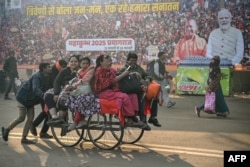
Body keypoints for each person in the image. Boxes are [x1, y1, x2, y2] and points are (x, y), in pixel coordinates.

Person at [1, 63, 52, 144]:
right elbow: (36, 89)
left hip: (30, 100)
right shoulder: (37, 76)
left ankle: (24, 138)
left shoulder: (46, 77)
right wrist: (44, 96)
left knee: (30, 118)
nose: (51, 68)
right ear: (43, 69)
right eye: (49, 67)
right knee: (21, 118)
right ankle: (7, 130)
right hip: (23, 98)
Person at [94, 54, 146, 128]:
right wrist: (125, 74)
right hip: (103, 92)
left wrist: (132, 73)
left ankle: (131, 117)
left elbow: (118, 74)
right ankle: (131, 117)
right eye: (107, 60)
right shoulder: (99, 70)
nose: (110, 62)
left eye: (111, 60)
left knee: (133, 95)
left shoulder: (111, 70)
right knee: (124, 96)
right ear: (101, 62)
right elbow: (111, 82)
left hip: (112, 91)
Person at [119, 52, 162, 130]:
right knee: (142, 97)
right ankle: (143, 120)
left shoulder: (138, 68)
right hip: (131, 90)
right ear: (127, 60)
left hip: (141, 88)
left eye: (135, 60)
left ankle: (153, 117)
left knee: (154, 96)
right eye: (131, 60)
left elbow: (147, 75)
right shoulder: (124, 68)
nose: (133, 62)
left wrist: (147, 79)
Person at [30, 59, 67, 139]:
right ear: (61, 66)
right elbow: (55, 83)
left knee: (49, 113)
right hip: (46, 94)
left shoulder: (58, 70)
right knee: (47, 112)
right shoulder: (53, 71)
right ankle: (35, 125)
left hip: (52, 93)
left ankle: (42, 131)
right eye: (64, 67)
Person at [65, 57, 100, 131]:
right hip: (82, 90)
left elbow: (85, 79)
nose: (85, 65)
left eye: (87, 63)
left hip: (90, 92)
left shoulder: (91, 70)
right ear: (80, 64)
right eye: (83, 63)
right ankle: (81, 120)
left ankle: (75, 121)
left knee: (81, 99)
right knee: (71, 97)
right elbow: (77, 81)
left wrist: (74, 86)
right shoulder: (80, 71)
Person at [45, 55, 80, 126]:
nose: (73, 63)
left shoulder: (80, 71)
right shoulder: (64, 71)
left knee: (63, 98)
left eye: (75, 61)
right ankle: (54, 117)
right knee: (48, 95)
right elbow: (57, 82)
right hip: (62, 89)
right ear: (69, 63)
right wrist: (56, 93)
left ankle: (60, 118)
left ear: (79, 63)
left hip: (74, 90)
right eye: (71, 61)